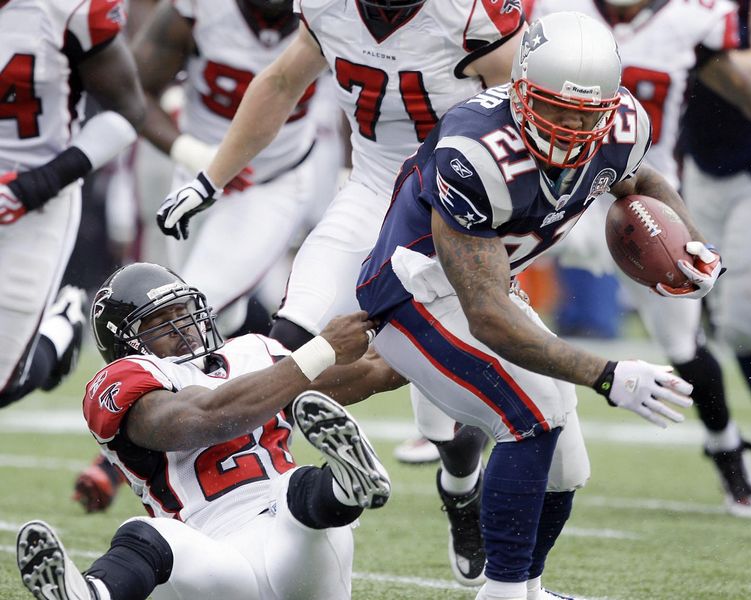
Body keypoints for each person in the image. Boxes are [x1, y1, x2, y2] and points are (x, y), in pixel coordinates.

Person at [155, 0, 528, 586]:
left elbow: (524, 116)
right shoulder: (327, 7)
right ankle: (240, 500)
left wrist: (512, 227)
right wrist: (212, 177)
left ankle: (461, 487)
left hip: (452, 205)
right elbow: (280, 80)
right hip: (373, 188)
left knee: (447, 415)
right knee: (284, 339)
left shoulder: (466, 14)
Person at [355, 12, 717, 599]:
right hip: (417, 290)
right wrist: (606, 374)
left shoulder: (622, 126)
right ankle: (500, 592)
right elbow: (487, 313)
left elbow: (638, 181)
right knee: (536, 411)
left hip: (494, 283)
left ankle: (530, 588)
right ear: (520, 91)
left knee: (567, 466)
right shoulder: (477, 151)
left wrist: (690, 245)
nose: (573, 128)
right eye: (555, 108)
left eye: (587, 114)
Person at [72, 0, 331, 513]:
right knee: (210, 316)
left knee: (193, 300)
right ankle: (213, 433)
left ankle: (123, 454)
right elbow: (134, 94)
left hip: (269, 182)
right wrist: (190, 152)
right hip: (197, 176)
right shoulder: (199, 8)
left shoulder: (333, 12)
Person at [17, 261, 398, 600]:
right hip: (215, 561)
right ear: (126, 343)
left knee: (295, 486)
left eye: (183, 312)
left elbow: (379, 371)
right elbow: (205, 418)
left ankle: (348, 485)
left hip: (299, 547)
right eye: (161, 322)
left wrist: (439, 319)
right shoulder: (127, 380)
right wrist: (317, 353)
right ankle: (90, 593)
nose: (183, 328)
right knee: (149, 534)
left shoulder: (254, 350)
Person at [528, 0, 751, 517]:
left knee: (683, 342)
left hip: (646, 203)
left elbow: (735, 85)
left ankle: (726, 449)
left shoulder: (692, 18)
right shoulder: (557, 10)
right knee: (480, 294)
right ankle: (452, 435)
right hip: (553, 188)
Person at [0, 0, 144, 409]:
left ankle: (60, 329)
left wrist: (36, 185)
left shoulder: (67, 8)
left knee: (3, 382)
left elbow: (129, 111)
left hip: (36, 199)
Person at [679, 0, 751, 514]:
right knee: (707, 316)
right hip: (697, 167)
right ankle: (727, 446)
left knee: (745, 319)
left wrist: (703, 47)